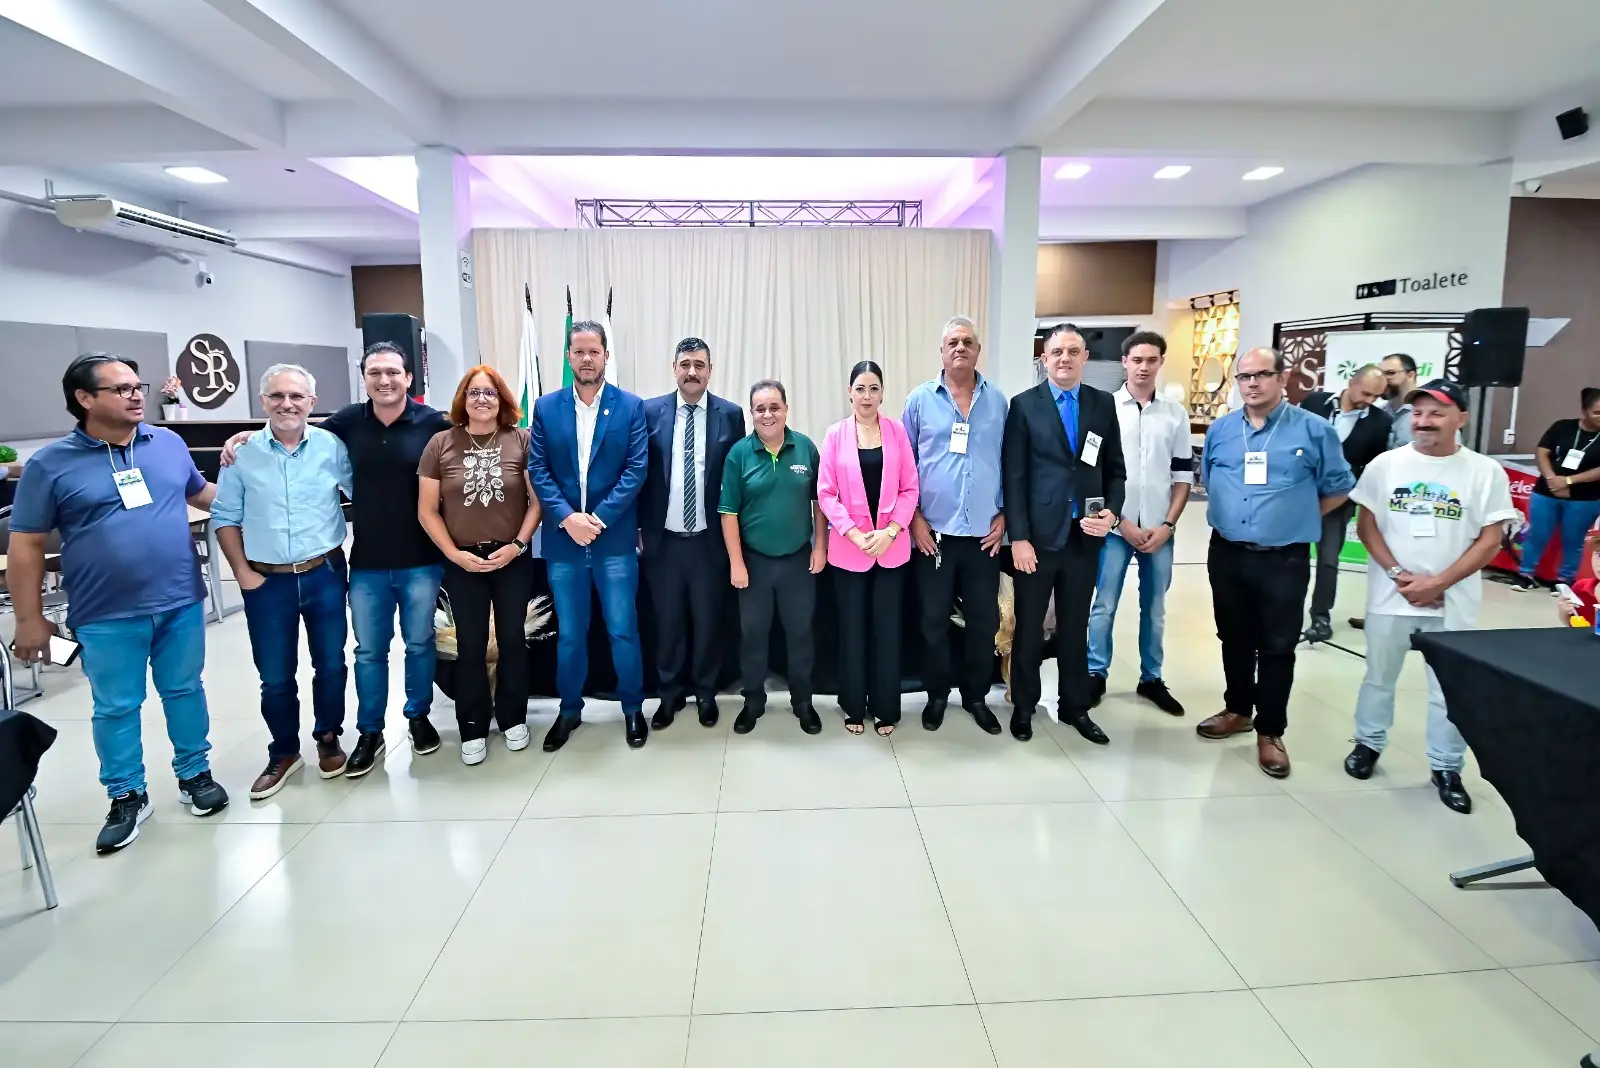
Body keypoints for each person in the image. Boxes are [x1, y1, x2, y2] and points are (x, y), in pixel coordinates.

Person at [9, 353, 228, 853]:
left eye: (137, 387)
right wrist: (29, 618)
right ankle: (126, 793)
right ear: (85, 399)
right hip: (105, 609)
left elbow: (202, 494)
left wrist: (263, 486)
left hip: (179, 599)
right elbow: (26, 545)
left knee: (185, 690)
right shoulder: (50, 464)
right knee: (116, 706)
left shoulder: (166, 443)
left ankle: (195, 773)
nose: (136, 396)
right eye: (122, 389)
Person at [221, 342, 454, 776]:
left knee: (420, 643)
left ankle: (418, 716)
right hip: (366, 563)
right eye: (374, 372)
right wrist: (245, 437)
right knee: (368, 651)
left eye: (393, 372)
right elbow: (291, 426)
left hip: (421, 559)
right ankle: (370, 731)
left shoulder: (434, 423)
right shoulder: (344, 424)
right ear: (364, 378)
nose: (384, 380)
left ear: (409, 378)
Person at [1344, 381, 1520, 813]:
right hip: (1390, 597)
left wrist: (1439, 582)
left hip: (1452, 600)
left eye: (1437, 414)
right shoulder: (1386, 465)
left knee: (1449, 689)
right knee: (1378, 677)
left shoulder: (1484, 472)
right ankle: (1368, 743)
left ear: (1462, 418)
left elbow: (1490, 540)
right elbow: (1367, 525)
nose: (1424, 422)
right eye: (1418, 414)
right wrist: (1399, 574)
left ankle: (1446, 766)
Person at [1197, 346, 1355, 778]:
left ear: (1282, 379)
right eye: (1244, 376)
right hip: (1227, 551)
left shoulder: (1315, 430)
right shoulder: (1222, 430)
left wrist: (1297, 515)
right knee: (1232, 636)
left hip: (1283, 556)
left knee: (1277, 644)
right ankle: (1237, 710)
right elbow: (1210, 478)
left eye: (1261, 374)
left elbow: (1340, 486)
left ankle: (1270, 730)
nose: (1252, 383)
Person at [212, 364, 354, 799]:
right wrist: (242, 573)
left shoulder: (331, 447)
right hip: (266, 581)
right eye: (277, 396)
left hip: (325, 573)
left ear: (312, 402)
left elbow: (364, 492)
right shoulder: (242, 454)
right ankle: (284, 752)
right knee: (275, 675)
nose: (287, 404)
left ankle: (328, 737)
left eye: (296, 396)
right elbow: (224, 516)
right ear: (263, 402)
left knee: (330, 664)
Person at [528, 320, 650, 751]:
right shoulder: (546, 407)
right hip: (564, 542)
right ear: (568, 357)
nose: (586, 359)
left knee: (622, 629)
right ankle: (569, 710)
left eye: (593, 352)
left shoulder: (630, 407)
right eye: (578, 352)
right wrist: (567, 518)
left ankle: (632, 708)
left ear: (605, 356)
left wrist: (596, 519)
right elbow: (538, 469)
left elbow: (636, 470)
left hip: (612, 540)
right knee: (570, 634)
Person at [1002, 324, 1126, 746]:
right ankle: (1024, 706)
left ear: (1085, 357)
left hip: (1084, 536)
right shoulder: (1024, 406)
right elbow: (1014, 477)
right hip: (1037, 540)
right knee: (1029, 627)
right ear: (1044, 359)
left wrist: (1112, 513)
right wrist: (1019, 538)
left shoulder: (1102, 404)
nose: (1065, 358)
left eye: (1073, 351)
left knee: (1074, 626)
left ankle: (1075, 706)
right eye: (1057, 352)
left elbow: (1115, 470)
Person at [418, 365, 539, 766]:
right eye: (474, 392)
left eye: (489, 393)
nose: (482, 399)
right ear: (462, 399)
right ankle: (472, 726)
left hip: (512, 558)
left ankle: (513, 718)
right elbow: (426, 510)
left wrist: (518, 545)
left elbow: (537, 502)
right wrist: (453, 554)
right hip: (462, 560)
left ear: (502, 399)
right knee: (469, 645)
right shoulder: (441, 443)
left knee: (512, 641)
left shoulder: (521, 440)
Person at [902, 316, 1007, 735]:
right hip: (935, 536)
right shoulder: (919, 400)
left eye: (967, 341)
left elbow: (1010, 463)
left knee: (983, 622)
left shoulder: (998, 401)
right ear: (942, 352)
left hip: (984, 536)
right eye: (952, 342)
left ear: (978, 351)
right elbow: (903, 466)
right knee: (933, 621)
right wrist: (914, 520)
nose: (960, 347)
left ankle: (976, 696)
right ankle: (937, 695)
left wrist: (1006, 515)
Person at [639, 338, 746, 731]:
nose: (692, 372)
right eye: (685, 364)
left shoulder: (730, 415)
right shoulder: (649, 412)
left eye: (699, 365)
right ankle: (669, 694)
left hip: (708, 541)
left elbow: (736, 479)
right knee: (667, 622)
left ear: (710, 370)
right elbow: (639, 474)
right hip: (663, 542)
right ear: (674, 369)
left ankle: (705, 693)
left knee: (707, 622)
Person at [1086, 330, 1192, 716]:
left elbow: (1183, 477)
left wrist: (1168, 525)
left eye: (1151, 360)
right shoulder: (1105, 408)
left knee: (1155, 607)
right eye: (1136, 360)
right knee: (1104, 604)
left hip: (1160, 530)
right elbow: (1094, 473)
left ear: (1161, 362)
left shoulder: (1175, 414)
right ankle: (1095, 673)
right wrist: (1119, 521)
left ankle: (1152, 678)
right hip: (1116, 528)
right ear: (1124, 363)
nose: (1143, 367)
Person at [817, 361, 919, 736]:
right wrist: (854, 534)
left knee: (887, 631)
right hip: (849, 551)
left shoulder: (897, 432)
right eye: (860, 388)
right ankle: (853, 706)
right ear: (850, 392)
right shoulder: (835, 435)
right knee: (852, 630)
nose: (867, 396)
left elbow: (910, 488)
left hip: (891, 547)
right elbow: (826, 493)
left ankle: (885, 708)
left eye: (873, 388)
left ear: (882, 393)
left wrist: (891, 530)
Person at [720, 380, 828, 734]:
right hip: (754, 563)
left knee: (801, 635)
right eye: (760, 409)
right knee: (753, 636)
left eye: (774, 407)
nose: (767, 414)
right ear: (752, 413)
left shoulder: (805, 448)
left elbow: (821, 503)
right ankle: (753, 702)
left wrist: (820, 546)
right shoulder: (739, 454)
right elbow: (728, 513)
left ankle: (803, 703)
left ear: (786, 409)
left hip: (798, 560)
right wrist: (736, 562)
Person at [1298, 365, 1394, 642]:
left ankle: (1321, 617)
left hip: (1340, 501)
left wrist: (1352, 494)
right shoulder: (1314, 403)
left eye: (1376, 396)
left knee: (1328, 560)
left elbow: (1372, 467)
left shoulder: (1380, 422)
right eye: (1365, 393)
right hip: (1299, 495)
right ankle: (1285, 608)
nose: (1369, 401)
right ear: (1351, 382)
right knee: (1291, 557)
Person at [1513, 387, 1600, 592]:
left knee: (1573, 539)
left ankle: (1565, 579)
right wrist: (1552, 480)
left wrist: (1568, 481)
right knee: (1537, 534)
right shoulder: (1562, 427)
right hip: (1546, 493)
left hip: (1585, 498)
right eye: (1597, 412)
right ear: (1584, 411)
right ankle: (1525, 574)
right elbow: (1542, 451)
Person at [1379, 353, 1419, 448]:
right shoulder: (1378, 413)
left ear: (1411, 375)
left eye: (1390, 373)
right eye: (1380, 375)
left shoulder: (1430, 414)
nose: (1383, 380)